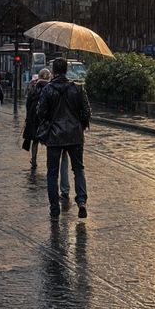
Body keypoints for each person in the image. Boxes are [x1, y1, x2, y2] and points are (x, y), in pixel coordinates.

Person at [35, 58, 90, 220]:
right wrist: (80, 126)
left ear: (54, 71)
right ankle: (81, 202)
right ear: (66, 70)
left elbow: (41, 112)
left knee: (52, 174)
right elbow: (87, 112)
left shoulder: (48, 90)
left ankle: (54, 211)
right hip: (74, 134)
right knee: (78, 169)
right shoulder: (78, 89)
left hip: (54, 136)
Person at [23, 69, 69, 198]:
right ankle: (50, 160)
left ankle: (34, 159)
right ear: (48, 76)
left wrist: (28, 116)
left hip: (33, 116)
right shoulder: (49, 88)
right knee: (49, 140)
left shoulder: (33, 86)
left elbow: (28, 103)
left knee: (34, 140)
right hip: (45, 119)